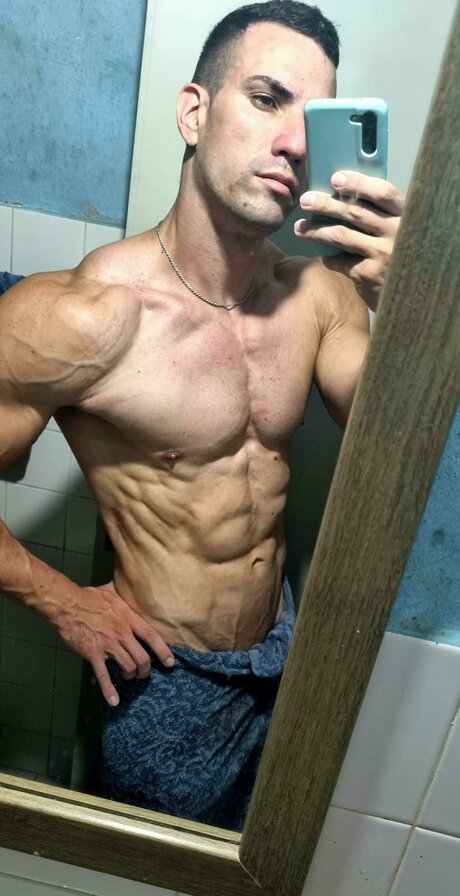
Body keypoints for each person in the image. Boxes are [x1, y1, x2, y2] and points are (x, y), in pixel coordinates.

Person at [0, 1, 404, 830]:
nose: (293, 142)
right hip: (164, 678)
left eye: (311, 117)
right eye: (266, 98)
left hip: (284, 647)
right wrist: (65, 602)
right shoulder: (84, 316)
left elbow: (394, 449)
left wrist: (411, 304)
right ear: (194, 112)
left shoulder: (321, 297)